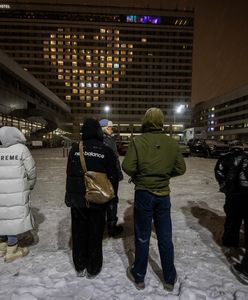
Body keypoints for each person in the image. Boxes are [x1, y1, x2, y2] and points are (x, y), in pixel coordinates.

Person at [122, 107, 186, 291]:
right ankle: (169, 277)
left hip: (143, 194)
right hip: (163, 195)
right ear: (161, 121)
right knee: (165, 237)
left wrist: (142, 175)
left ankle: (139, 276)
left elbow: (127, 166)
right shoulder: (172, 143)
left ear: (145, 121)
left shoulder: (138, 141)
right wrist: (163, 175)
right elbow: (181, 168)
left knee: (142, 236)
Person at [65, 118, 118, 278]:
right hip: (97, 199)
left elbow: (69, 174)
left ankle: (80, 264)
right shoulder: (105, 150)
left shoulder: (75, 149)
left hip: (78, 200)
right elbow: (113, 177)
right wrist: (111, 197)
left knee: (78, 232)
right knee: (95, 233)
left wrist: (70, 196)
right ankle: (93, 267)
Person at [0, 126, 36, 262]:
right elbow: (31, 170)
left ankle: (1, 246)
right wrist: (31, 184)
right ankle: (12, 249)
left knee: (2, 216)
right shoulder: (21, 150)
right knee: (12, 218)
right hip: (16, 190)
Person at [214, 140, 248, 284]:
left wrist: (224, 185)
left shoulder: (224, 157)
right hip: (247, 194)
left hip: (233, 194)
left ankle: (230, 242)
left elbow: (219, 171)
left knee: (232, 219)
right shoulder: (247, 157)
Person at [99, 119, 124, 237]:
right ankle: (111, 227)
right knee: (111, 200)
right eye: (110, 127)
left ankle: (107, 224)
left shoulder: (109, 139)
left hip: (110, 175)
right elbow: (112, 159)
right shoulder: (105, 140)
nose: (112, 129)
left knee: (109, 200)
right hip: (109, 176)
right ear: (104, 128)